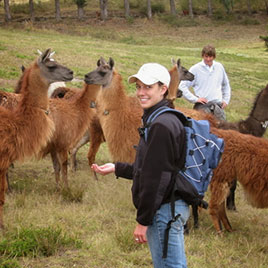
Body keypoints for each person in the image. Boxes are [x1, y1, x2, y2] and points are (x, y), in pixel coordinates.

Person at [91, 63, 190, 268]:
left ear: (163, 89)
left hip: (164, 210)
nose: (141, 93)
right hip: (171, 205)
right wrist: (118, 168)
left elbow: (155, 179)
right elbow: (152, 166)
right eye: (138, 87)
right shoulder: (161, 119)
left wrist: (143, 221)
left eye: (148, 87)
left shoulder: (161, 126)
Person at [179, 44, 231, 118]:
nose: (208, 59)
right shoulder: (195, 69)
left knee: (222, 129)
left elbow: (225, 84)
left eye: (210, 57)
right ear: (203, 56)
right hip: (202, 107)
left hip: (218, 107)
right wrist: (195, 99)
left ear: (214, 57)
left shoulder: (219, 67)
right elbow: (182, 86)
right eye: (206, 56)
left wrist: (226, 100)